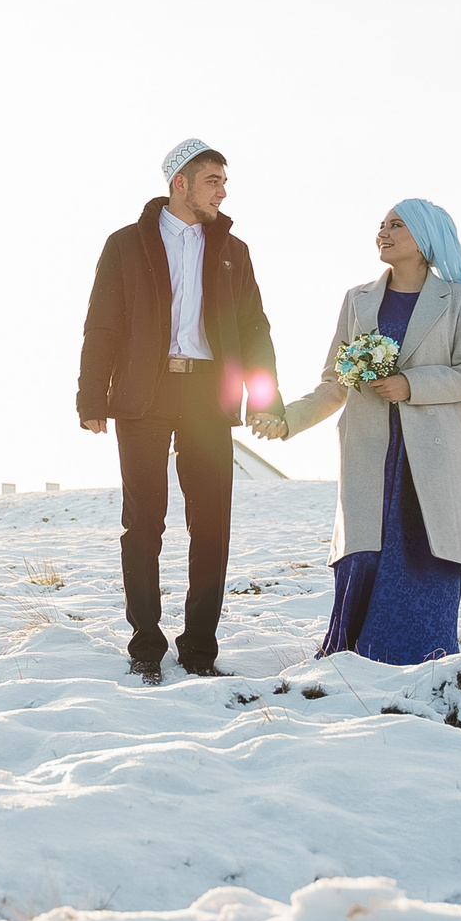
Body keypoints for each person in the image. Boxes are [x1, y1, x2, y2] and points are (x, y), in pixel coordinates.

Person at [259, 199, 461, 664]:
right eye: (381, 225)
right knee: (366, 549)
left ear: (426, 238)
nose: (383, 232)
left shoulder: (459, 300)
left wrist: (410, 384)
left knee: (424, 549)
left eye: (397, 225)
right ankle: (355, 656)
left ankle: (422, 656)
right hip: (371, 450)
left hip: (435, 456)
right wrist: (288, 418)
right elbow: (335, 381)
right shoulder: (358, 300)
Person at [78, 139, 283, 680]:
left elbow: (256, 328)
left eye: (224, 181)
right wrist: (90, 396)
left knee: (212, 525)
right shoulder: (125, 245)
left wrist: (266, 398)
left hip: (208, 396)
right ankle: (146, 646)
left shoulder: (234, 250)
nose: (221, 190)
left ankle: (199, 651)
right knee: (143, 523)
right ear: (180, 184)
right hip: (143, 395)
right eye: (212, 179)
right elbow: (101, 324)